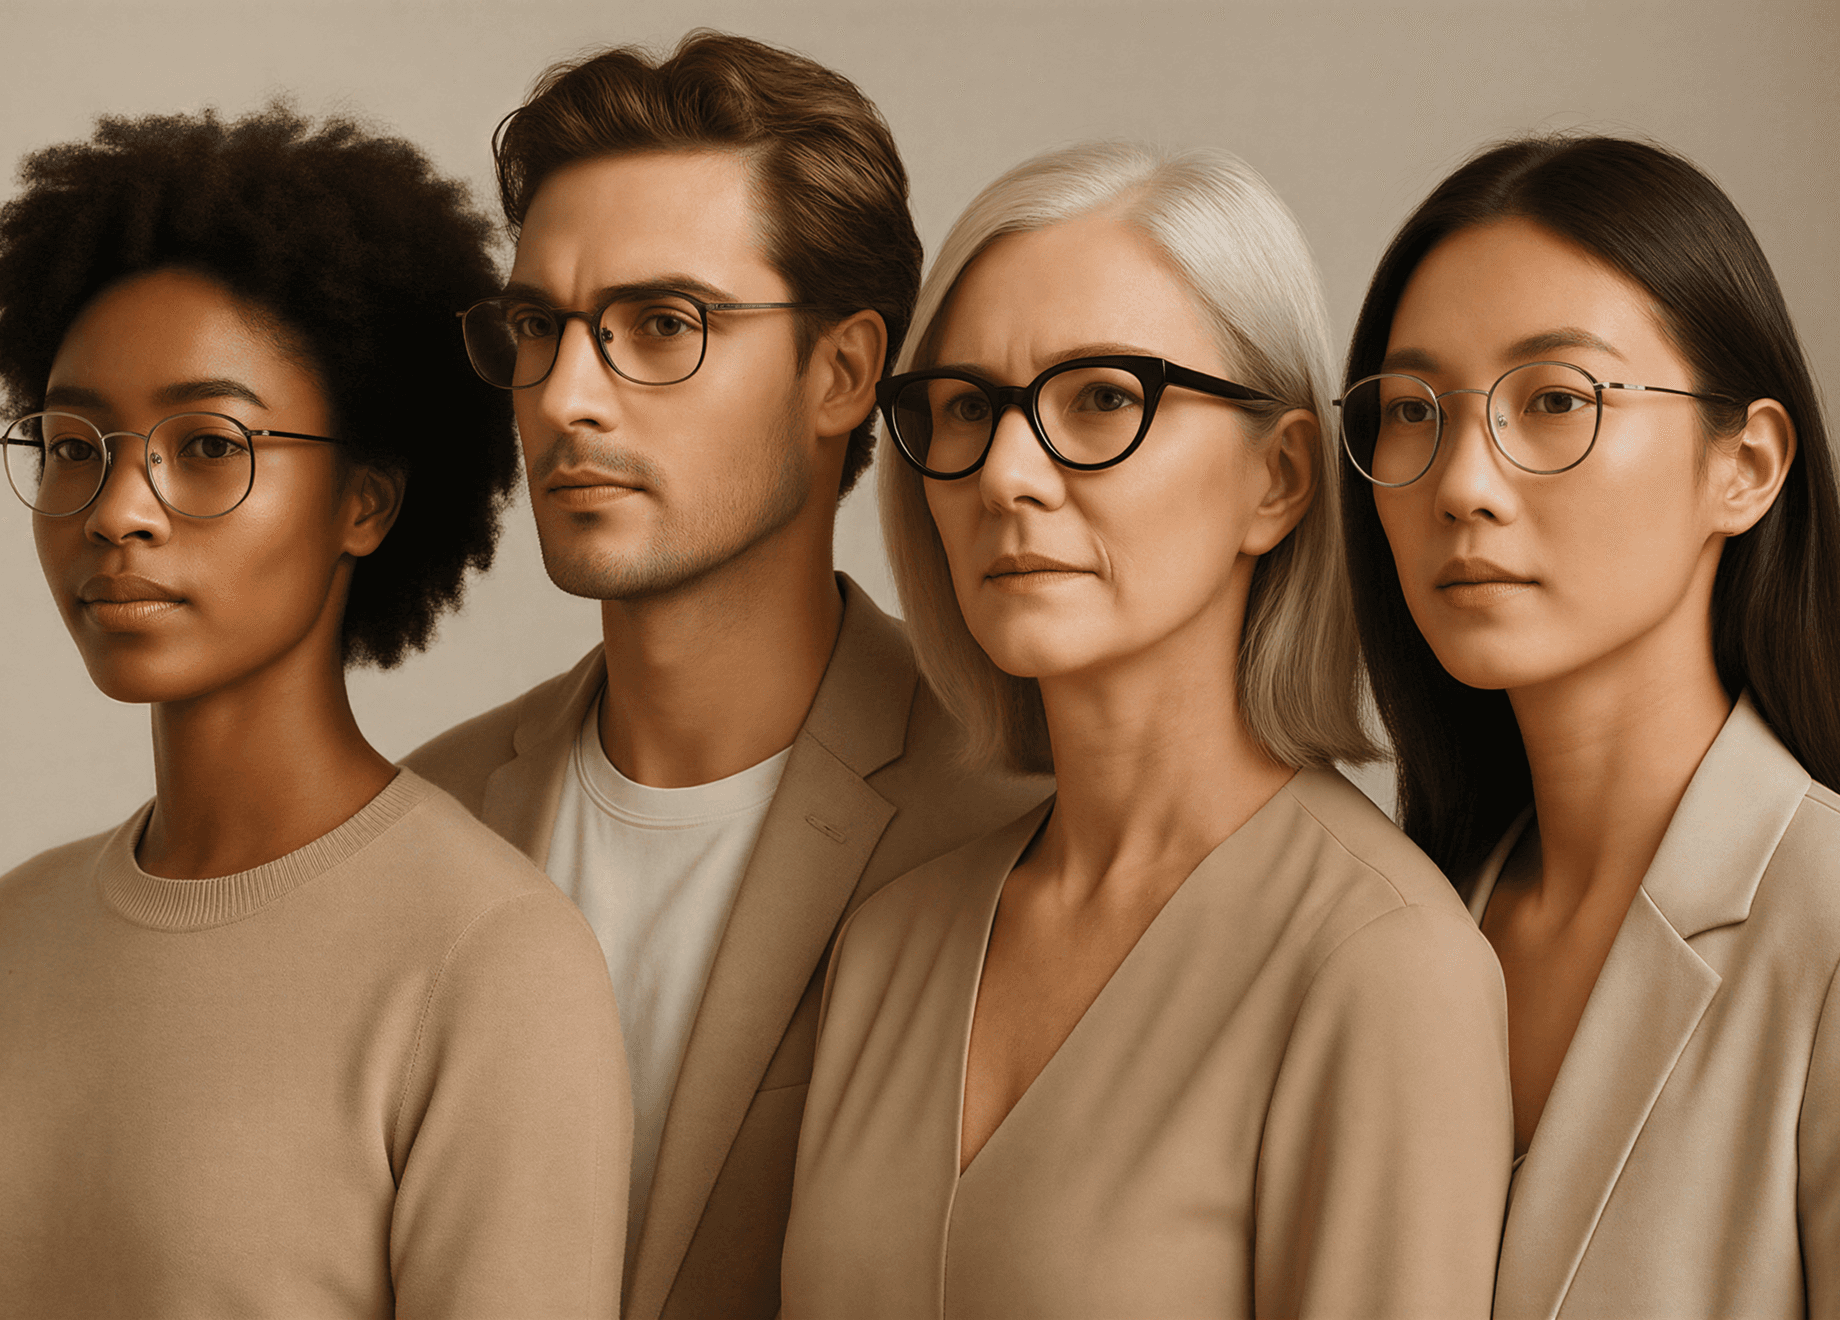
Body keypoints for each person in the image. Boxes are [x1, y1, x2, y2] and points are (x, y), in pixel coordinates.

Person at [780, 141, 1514, 1318]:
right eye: (968, 407)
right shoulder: (889, 946)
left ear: (1276, 479)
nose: (1007, 472)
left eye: (1104, 398)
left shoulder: (1382, 968)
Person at [402, 32, 1048, 1319]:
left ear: (843, 371)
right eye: (539, 326)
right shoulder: (429, 816)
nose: (565, 396)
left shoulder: (1016, 819)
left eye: (661, 324)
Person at [0, 107, 631, 1316]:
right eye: (73, 444)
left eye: (207, 445)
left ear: (367, 503)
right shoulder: (17, 929)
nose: (116, 508)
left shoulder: (486, 967)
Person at [1339, 134, 1840, 1317]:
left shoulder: (1822, 932)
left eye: (1555, 399)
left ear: (1747, 465)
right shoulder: (1397, 921)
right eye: (1412, 411)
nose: (1461, 478)